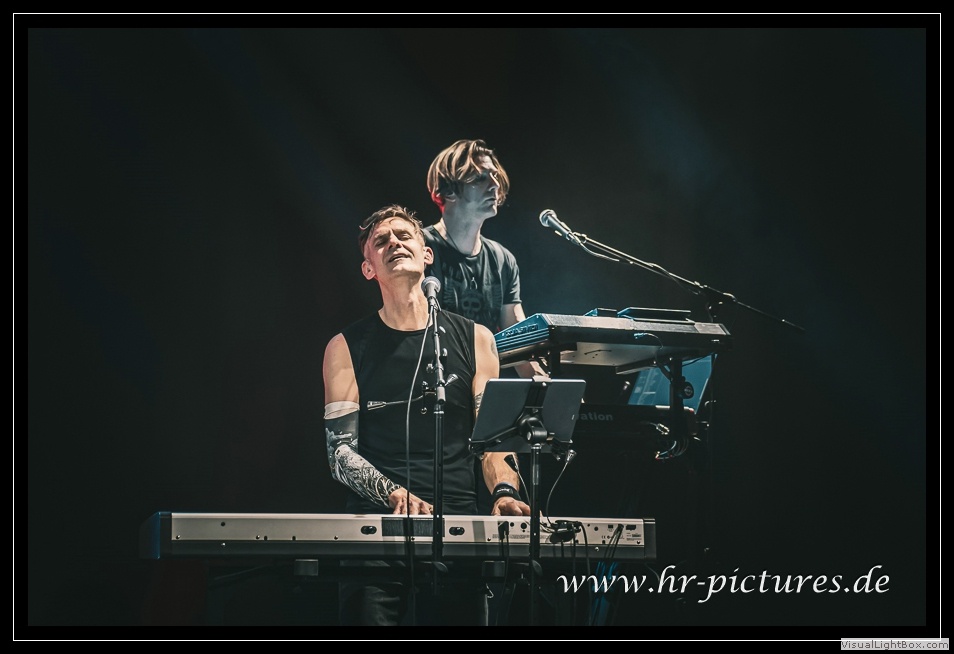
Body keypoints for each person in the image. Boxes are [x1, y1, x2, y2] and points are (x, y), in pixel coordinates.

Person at [323, 204, 531, 626]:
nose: (394, 243)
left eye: (404, 236)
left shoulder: (477, 339)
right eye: (381, 241)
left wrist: (504, 491)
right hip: (376, 535)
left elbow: (492, 439)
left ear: (427, 254)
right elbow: (339, 453)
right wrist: (392, 493)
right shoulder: (345, 346)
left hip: (459, 531)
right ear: (368, 269)